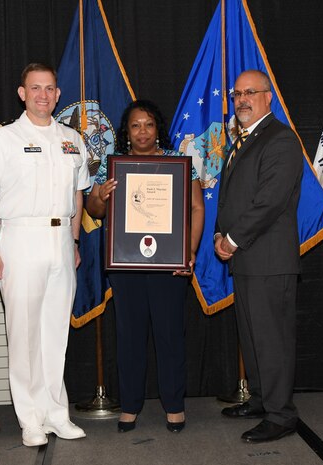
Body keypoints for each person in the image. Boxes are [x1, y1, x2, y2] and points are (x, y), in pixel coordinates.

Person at [0, 63, 89, 447]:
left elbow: (78, 193)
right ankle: (30, 419)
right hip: (20, 238)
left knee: (55, 333)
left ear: (57, 93)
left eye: (49, 88)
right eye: (35, 88)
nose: (42, 95)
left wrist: (73, 243)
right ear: (22, 93)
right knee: (22, 334)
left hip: (59, 240)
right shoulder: (3, 138)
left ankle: (56, 413)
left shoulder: (73, 138)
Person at [86, 100, 204, 433]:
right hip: (126, 265)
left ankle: (174, 405)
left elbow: (196, 208)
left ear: (158, 129)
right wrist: (102, 195)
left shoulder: (178, 163)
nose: (142, 131)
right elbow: (94, 210)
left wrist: (189, 251)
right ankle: (130, 406)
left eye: (148, 124)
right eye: (135, 125)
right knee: (129, 337)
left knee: (170, 335)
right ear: (127, 131)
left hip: (170, 264)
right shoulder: (111, 165)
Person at [214, 70, 303, 443]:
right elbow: (232, 196)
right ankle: (262, 400)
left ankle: (281, 415)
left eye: (250, 93)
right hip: (247, 258)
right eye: (236, 94)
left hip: (268, 259)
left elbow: (269, 201)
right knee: (252, 337)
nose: (241, 100)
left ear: (269, 97)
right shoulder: (244, 140)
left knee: (271, 339)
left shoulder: (280, 139)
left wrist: (232, 239)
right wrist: (221, 232)